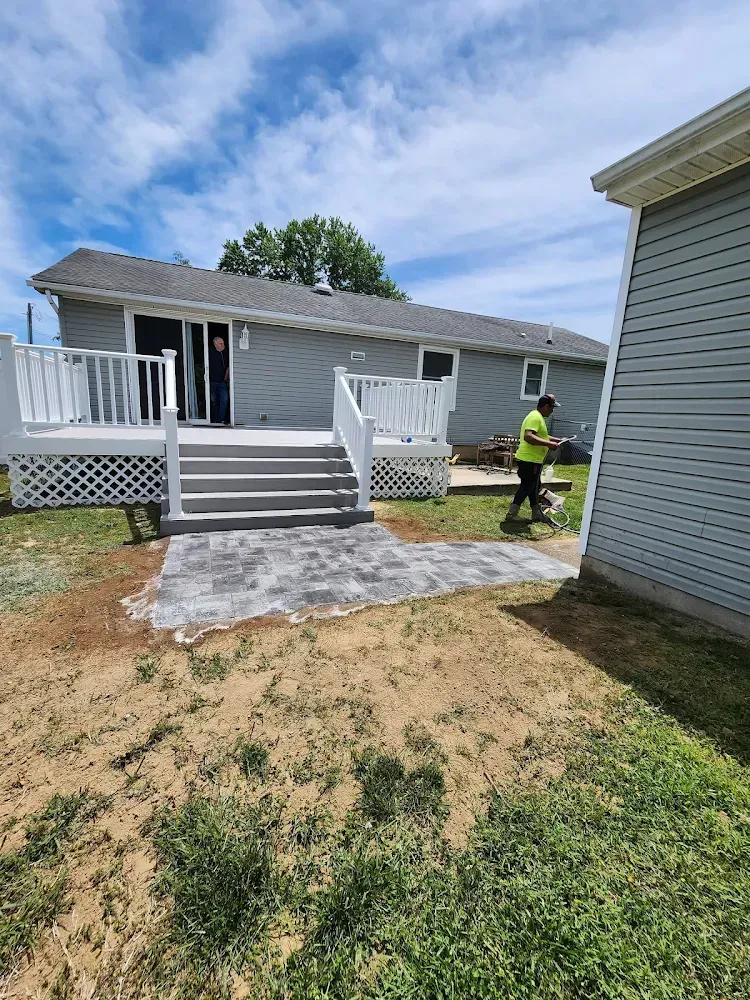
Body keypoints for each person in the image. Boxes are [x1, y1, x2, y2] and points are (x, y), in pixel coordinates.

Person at [506, 393, 562, 522]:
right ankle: (511, 514)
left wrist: (556, 440)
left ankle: (536, 513)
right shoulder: (535, 417)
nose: (552, 411)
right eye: (552, 408)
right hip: (528, 460)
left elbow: (541, 436)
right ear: (546, 406)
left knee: (534, 487)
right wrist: (550, 444)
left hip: (533, 460)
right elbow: (529, 436)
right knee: (527, 486)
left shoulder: (538, 417)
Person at [208, 335, 229, 424]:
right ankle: (213, 420)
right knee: (213, 401)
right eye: (221, 343)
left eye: (223, 343)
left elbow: (228, 367)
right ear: (215, 344)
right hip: (212, 381)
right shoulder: (210, 352)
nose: (223, 345)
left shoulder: (226, 354)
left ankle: (220, 420)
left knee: (224, 400)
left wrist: (225, 379)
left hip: (222, 382)